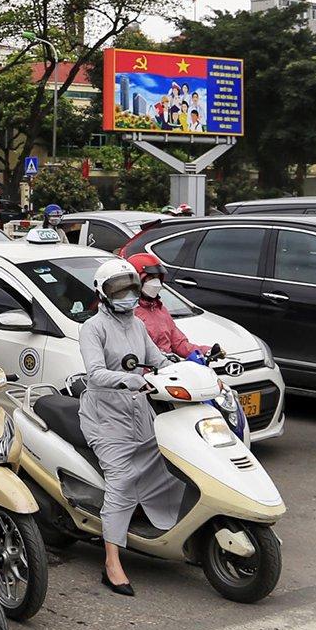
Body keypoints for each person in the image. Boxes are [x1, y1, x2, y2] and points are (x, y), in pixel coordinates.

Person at [77, 259, 181, 597]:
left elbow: (159, 359)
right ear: (103, 294)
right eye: (118, 290)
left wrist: (187, 370)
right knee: (121, 481)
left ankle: (167, 532)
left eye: (130, 288)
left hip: (139, 411)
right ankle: (111, 562)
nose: (127, 296)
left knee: (168, 467)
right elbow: (94, 373)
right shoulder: (93, 328)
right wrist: (131, 380)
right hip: (106, 417)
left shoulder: (137, 324)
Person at [127, 251, 217, 361]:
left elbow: (178, 343)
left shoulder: (160, 310)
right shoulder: (129, 313)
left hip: (166, 369)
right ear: (136, 281)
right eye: (150, 278)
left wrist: (205, 351)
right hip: (145, 373)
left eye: (157, 278)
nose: (155, 283)